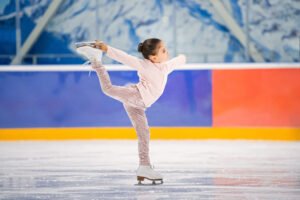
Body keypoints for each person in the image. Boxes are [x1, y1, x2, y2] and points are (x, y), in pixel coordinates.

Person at [76, 38, 186, 184]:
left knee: (144, 134)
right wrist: (106, 49)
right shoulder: (144, 66)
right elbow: (124, 58)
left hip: (139, 106)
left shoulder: (164, 67)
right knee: (108, 89)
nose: (167, 52)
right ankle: (96, 61)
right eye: (163, 50)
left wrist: (183, 58)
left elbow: (177, 61)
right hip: (135, 95)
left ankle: (144, 166)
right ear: (153, 57)